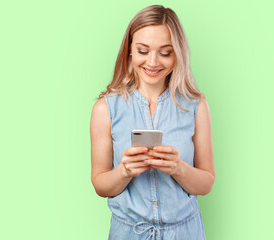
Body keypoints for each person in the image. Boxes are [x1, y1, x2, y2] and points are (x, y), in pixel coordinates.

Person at [90, 5, 215, 240]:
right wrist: (124, 171)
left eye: (165, 52)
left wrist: (178, 168)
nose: (153, 62)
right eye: (143, 51)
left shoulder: (196, 106)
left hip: (185, 233)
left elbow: (206, 183)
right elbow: (100, 184)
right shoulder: (105, 109)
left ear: (178, 53)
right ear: (129, 50)